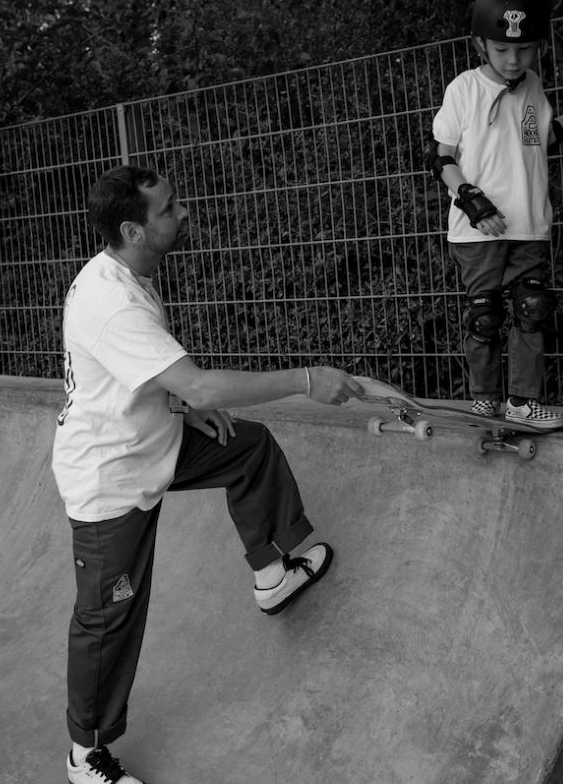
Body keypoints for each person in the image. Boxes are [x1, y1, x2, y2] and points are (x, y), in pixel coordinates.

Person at [51, 165, 364, 784]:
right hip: (111, 482)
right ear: (134, 228)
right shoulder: (111, 302)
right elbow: (195, 380)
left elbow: (150, 381)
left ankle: (273, 575)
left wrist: (183, 407)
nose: (183, 213)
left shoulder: (130, 274)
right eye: (169, 209)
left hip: (155, 442)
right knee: (108, 619)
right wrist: (305, 380)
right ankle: (85, 756)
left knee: (246, 447)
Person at [430, 0, 563, 428]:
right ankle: (484, 398)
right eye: (502, 50)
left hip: (528, 223)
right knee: (485, 316)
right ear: (480, 45)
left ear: (538, 46)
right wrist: (471, 199)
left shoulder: (533, 86)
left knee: (531, 310)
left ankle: (522, 401)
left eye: (524, 49)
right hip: (480, 230)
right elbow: (439, 156)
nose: (514, 59)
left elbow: (541, 140)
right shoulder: (464, 90)